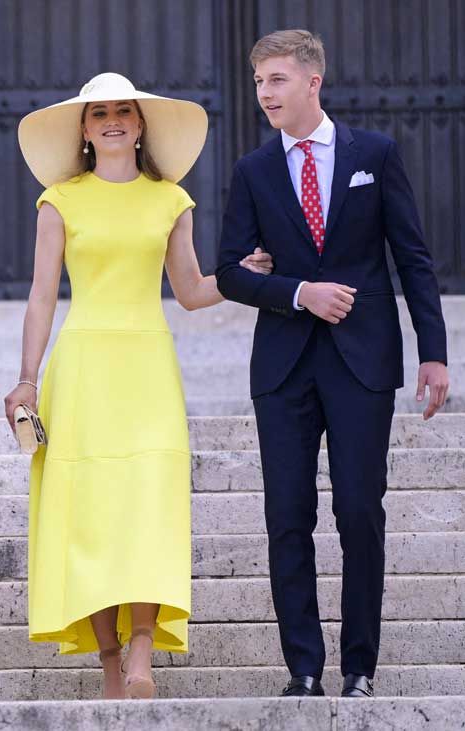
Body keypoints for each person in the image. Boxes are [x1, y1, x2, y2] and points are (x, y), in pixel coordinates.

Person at [4, 72, 276, 700]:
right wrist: (26, 378)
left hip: (148, 367)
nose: (113, 121)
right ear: (84, 128)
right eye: (99, 113)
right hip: (83, 368)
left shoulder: (169, 200)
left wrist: (247, 276)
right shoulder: (59, 200)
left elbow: (190, 290)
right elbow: (42, 295)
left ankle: (143, 653)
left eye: (123, 111)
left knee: (148, 507)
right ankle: (108, 661)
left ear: (140, 122)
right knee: (91, 514)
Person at [215, 30, 449, 699]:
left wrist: (433, 351)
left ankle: (360, 667)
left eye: (277, 80)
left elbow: (413, 257)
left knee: (358, 509)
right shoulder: (253, 170)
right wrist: (296, 292)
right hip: (284, 367)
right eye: (259, 81)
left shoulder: (375, 155)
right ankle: (305, 667)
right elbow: (230, 271)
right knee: (287, 515)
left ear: (314, 81)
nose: (265, 94)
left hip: (363, 362)